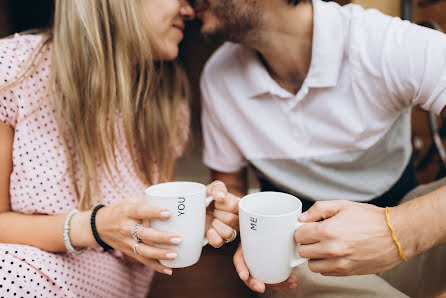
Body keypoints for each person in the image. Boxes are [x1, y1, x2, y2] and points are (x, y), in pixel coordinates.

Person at [195, 0, 446, 296]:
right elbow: (230, 188)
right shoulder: (217, 78)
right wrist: (243, 229)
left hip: (403, 223)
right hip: (301, 253)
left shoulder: (385, 42)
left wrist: (399, 232)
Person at [0, 0, 239, 297]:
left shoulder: (166, 102)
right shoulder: (14, 68)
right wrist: (96, 226)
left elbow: (137, 246)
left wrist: (193, 221)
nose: (189, 11)